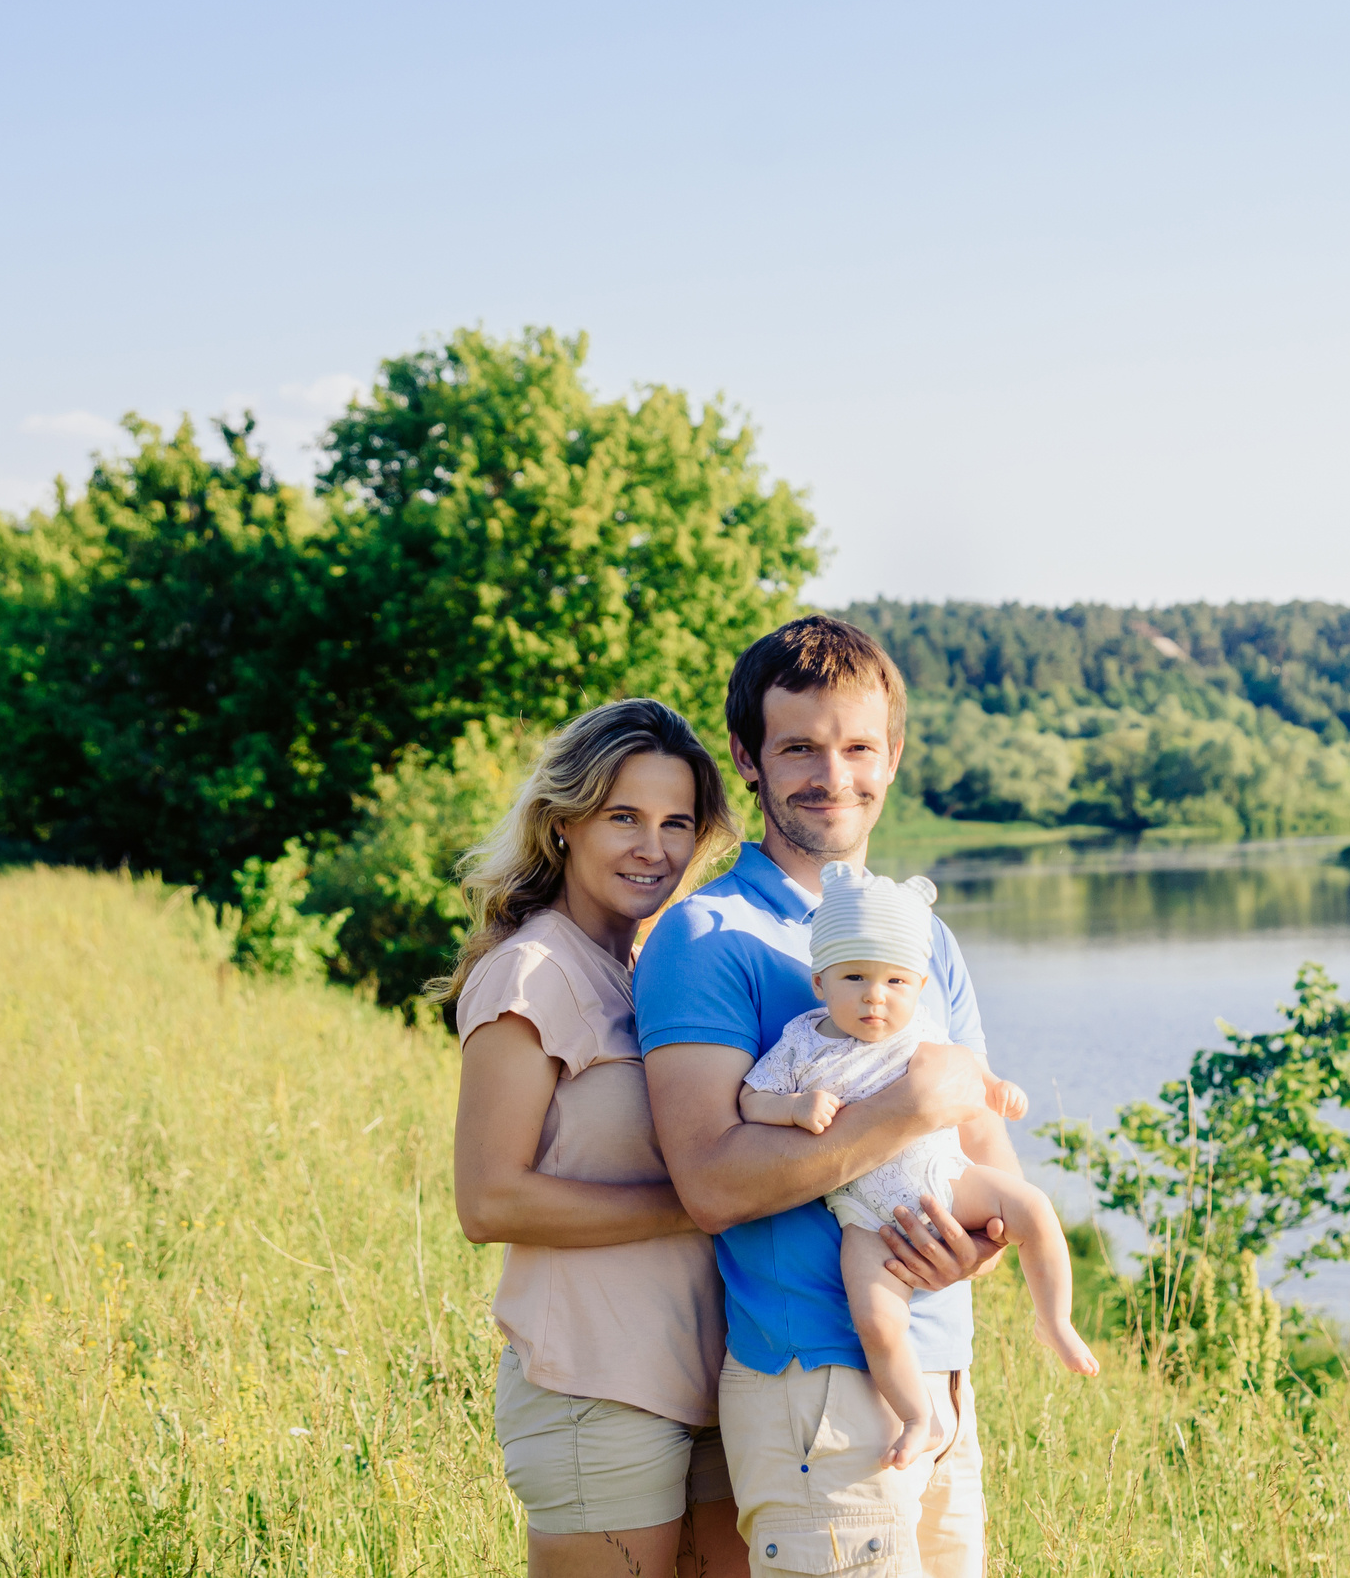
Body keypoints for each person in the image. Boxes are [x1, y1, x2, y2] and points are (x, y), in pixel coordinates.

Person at [638, 616, 1018, 1578]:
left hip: (937, 1370)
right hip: (811, 1379)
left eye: (857, 746)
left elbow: (981, 1146)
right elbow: (712, 1183)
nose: (832, 773)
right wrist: (903, 1110)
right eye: (798, 746)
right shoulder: (706, 935)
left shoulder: (920, 939)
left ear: (892, 755)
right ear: (746, 758)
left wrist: (978, 1243)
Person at [446, 699, 749, 1578]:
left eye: (675, 822)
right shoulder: (530, 971)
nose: (652, 846)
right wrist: (702, 1197)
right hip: (595, 1391)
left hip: (709, 1385)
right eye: (624, 817)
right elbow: (488, 1198)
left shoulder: (648, 971)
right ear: (565, 821)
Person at [739, 861, 1099, 1469]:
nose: (876, 997)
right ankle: (916, 1417)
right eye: (855, 978)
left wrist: (994, 1085)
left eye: (897, 983)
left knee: (1032, 1205)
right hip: (863, 1215)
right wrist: (794, 1108)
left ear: (919, 985)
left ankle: (1054, 1319)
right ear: (821, 981)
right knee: (877, 1322)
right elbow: (750, 1098)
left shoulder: (919, 1031)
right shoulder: (801, 1041)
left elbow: (960, 1065)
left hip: (942, 1179)